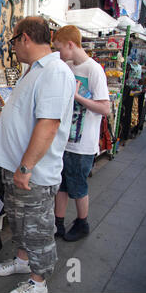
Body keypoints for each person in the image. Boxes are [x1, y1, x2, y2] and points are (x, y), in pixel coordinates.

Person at [0, 16, 75, 293]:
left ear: (25, 38)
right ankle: (23, 261)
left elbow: (48, 124)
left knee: (37, 228)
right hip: (16, 166)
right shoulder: (34, 71)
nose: (12, 47)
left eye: (13, 41)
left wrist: (26, 168)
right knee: (20, 222)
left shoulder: (54, 71)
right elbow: (21, 113)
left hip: (34, 173)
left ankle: (39, 281)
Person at [52, 25, 110, 242]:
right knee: (62, 184)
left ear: (70, 44)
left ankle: (82, 222)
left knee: (78, 185)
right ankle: (58, 223)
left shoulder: (93, 70)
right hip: (64, 139)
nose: (59, 54)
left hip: (83, 142)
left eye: (60, 48)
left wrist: (77, 97)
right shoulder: (66, 65)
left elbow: (105, 108)